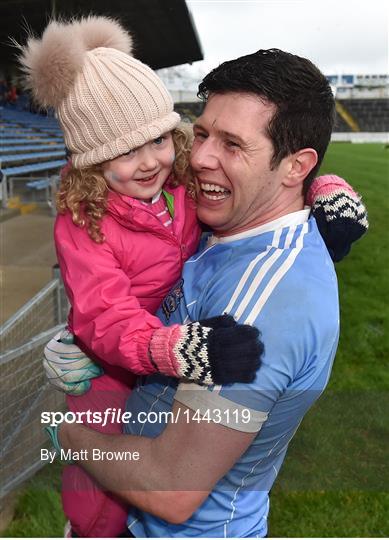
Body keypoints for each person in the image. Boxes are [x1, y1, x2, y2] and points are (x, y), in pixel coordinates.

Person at [44, 45, 368, 538]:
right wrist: (92, 336)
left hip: (169, 524)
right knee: (90, 515)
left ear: (294, 167)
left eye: (231, 145)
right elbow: (114, 304)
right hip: (126, 476)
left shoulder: (263, 302)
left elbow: (171, 489)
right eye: (200, 134)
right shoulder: (220, 214)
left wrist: (64, 435)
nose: (197, 158)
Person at [19, 16, 263, 538]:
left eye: (156, 139)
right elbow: (105, 315)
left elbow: (265, 180)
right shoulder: (83, 220)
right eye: (124, 151)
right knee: (104, 484)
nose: (150, 160)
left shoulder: (180, 177)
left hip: (169, 345)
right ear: (91, 160)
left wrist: (323, 193)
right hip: (109, 365)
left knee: (174, 464)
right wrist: (180, 351)